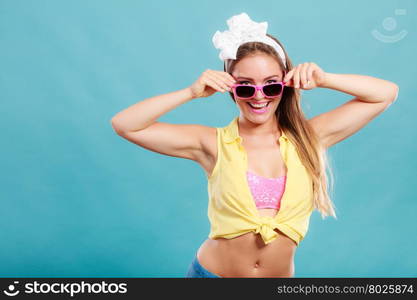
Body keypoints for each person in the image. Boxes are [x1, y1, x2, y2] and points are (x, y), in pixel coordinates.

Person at [110, 13, 399, 278]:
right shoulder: (211, 143)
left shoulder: (309, 137)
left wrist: (325, 79)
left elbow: (385, 94)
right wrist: (190, 92)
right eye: (246, 86)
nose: (259, 97)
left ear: (285, 86)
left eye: (271, 85)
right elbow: (125, 124)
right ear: (231, 89)